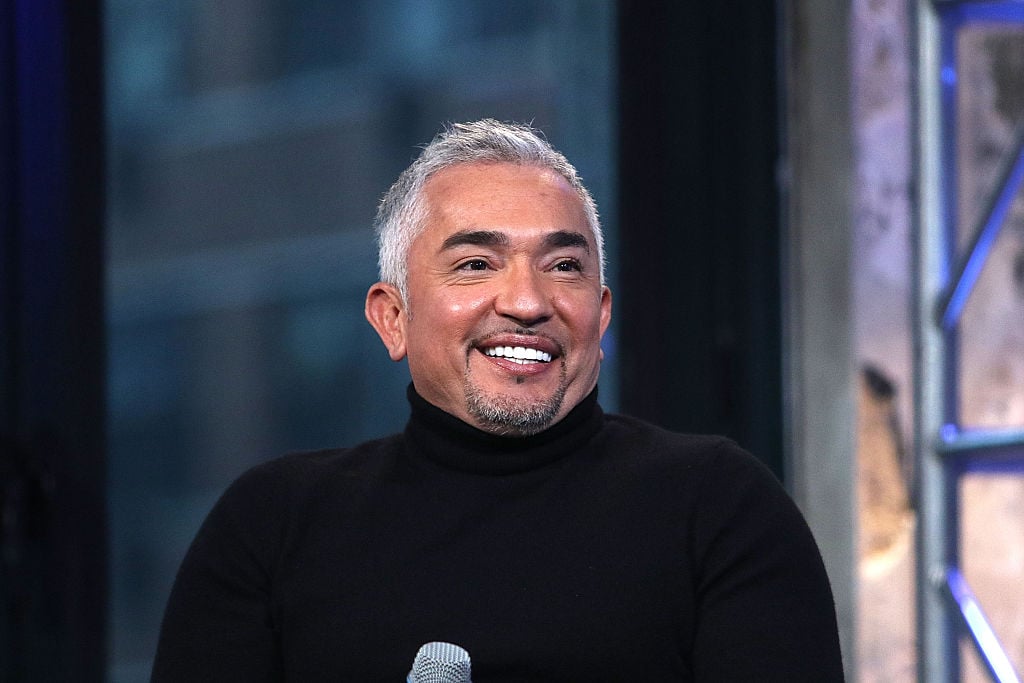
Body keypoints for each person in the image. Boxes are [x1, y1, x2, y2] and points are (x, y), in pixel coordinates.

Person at [152, 119, 845, 681]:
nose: (526, 302)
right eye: (476, 264)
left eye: (564, 266)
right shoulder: (274, 526)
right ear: (393, 318)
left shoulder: (719, 508)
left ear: (601, 316)